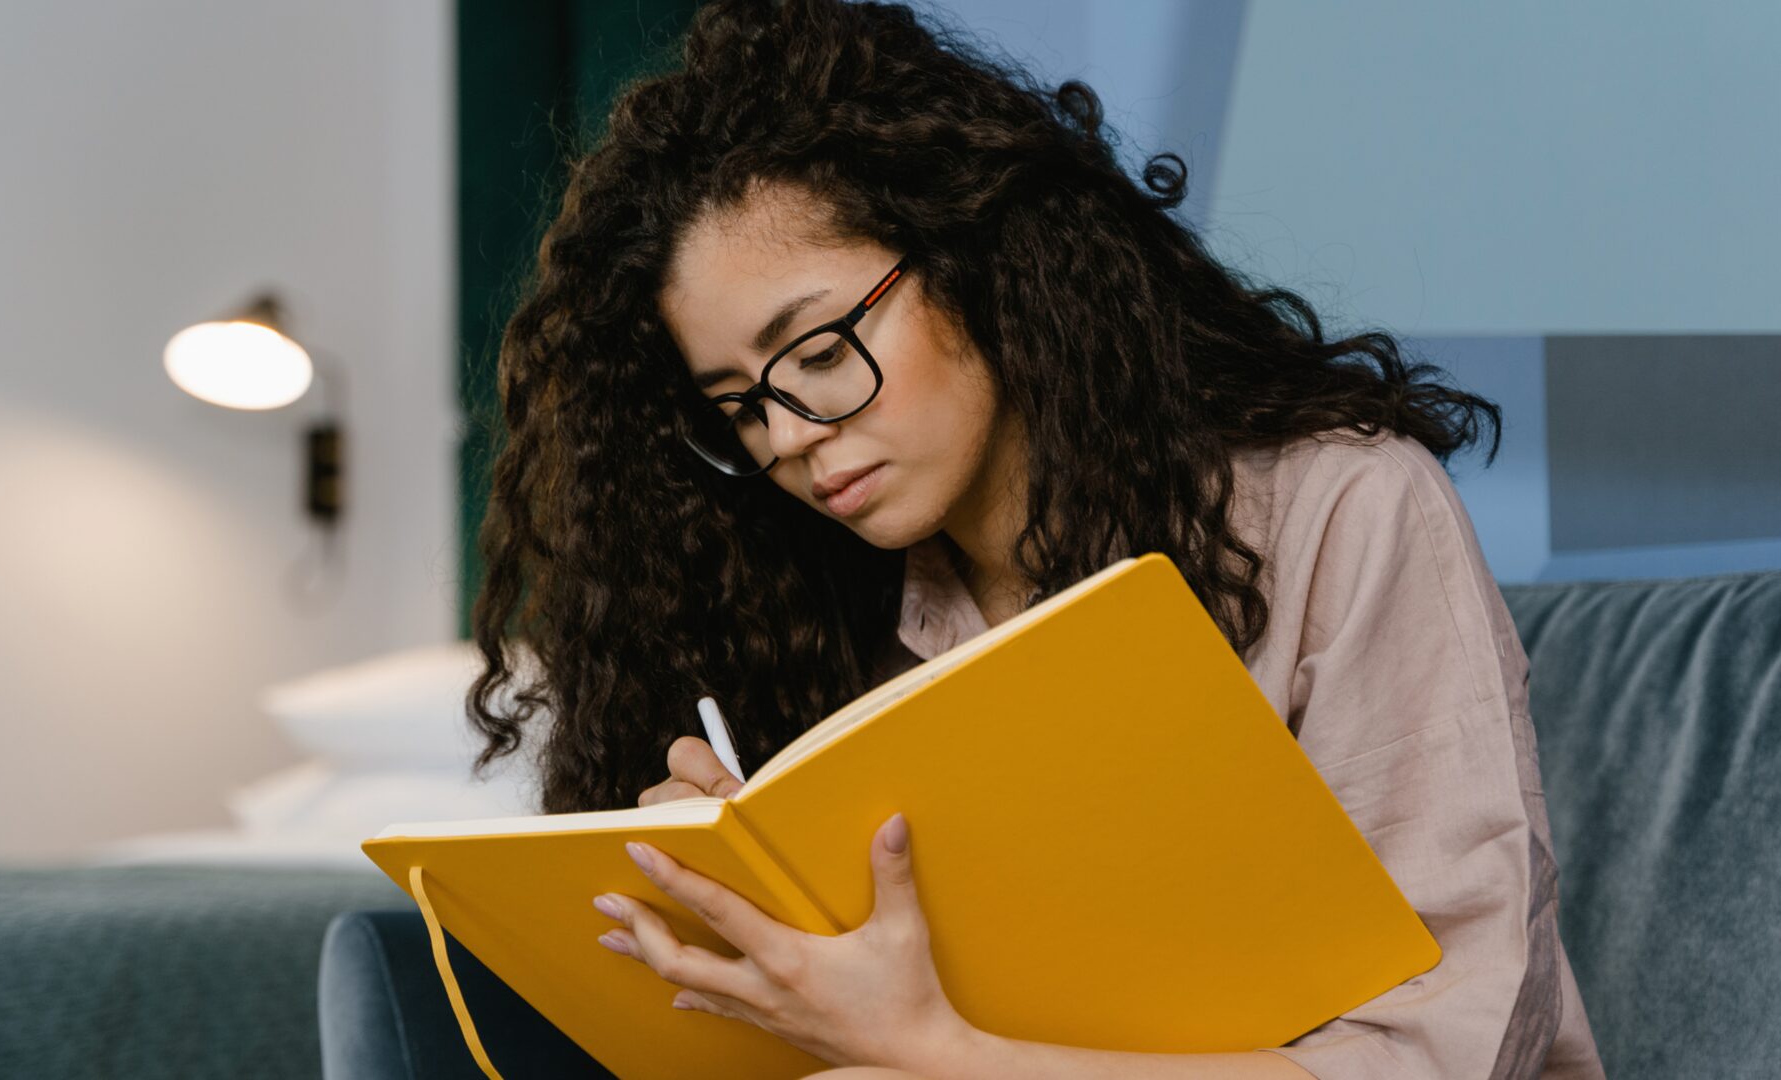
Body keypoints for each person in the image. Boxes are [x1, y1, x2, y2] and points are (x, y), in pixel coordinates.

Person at [462, 1, 1606, 1076]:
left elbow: (1452, 1049)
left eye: (819, 354)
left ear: (974, 257)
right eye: (741, 408)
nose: (795, 436)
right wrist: (731, 921)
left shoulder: (1343, 512)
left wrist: (937, 1050)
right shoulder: (820, 617)